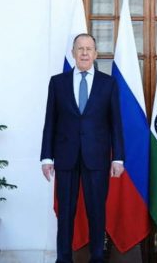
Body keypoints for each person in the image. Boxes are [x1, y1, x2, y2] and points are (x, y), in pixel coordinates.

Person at [40, 33, 125, 263]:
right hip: (65, 156)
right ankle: (63, 258)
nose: (85, 53)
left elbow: (116, 123)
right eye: (80, 49)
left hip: (97, 157)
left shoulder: (108, 84)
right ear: (73, 53)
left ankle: (97, 257)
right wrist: (46, 157)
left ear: (96, 54)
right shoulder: (57, 83)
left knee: (97, 211)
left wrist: (118, 157)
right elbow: (50, 122)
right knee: (65, 213)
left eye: (89, 49)